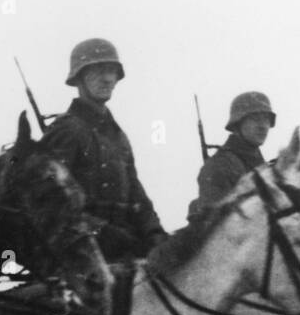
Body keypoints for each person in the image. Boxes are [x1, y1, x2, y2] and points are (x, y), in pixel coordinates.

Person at [40, 38, 166, 261]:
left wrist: (153, 231)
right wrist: (102, 231)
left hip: (125, 242)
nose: (107, 78)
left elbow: (135, 192)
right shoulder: (67, 130)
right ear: (79, 78)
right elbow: (51, 204)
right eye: (97, 72)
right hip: (84, 252)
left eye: (111, 71)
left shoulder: (118, 136)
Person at [187, 92, 275, 223]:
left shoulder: (264, 168)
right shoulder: (219, 166)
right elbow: (218, 228)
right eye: (255, 119)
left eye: (266, 119)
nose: (263, 126)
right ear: (237, 124)